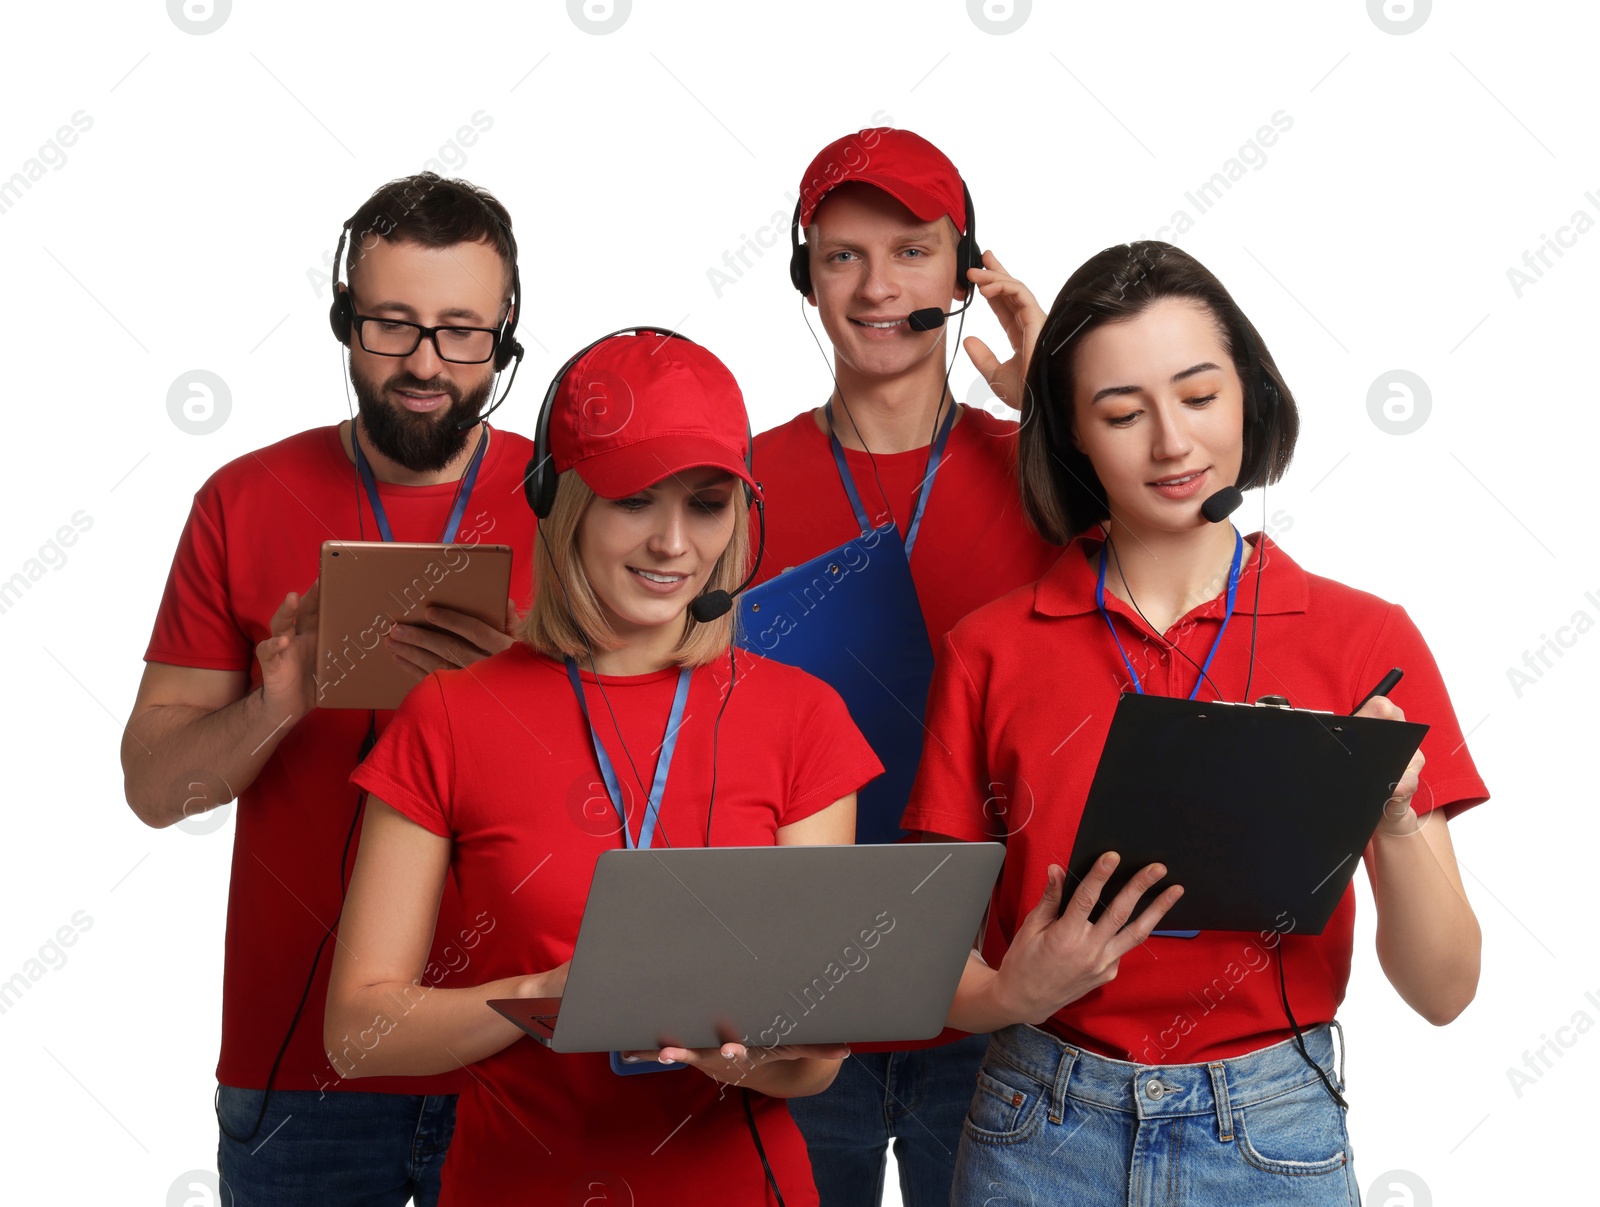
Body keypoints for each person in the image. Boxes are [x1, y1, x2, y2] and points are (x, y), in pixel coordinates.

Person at [901, 241, 1489, 1205]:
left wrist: (1387, 818)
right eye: (1123, 413)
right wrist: (1016, 989)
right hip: (1036, 1124)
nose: (1172, 443)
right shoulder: (990, 649)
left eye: (1200, 395)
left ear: (1251, 397)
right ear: (1073, 439)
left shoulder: (1364, 638)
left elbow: (1444, 991)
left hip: (1271, 1132)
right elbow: (927, 970)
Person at [325, 328, 884, 1205]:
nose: (671, 542)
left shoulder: (802, 716)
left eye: (705, 504)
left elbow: (815, 1063)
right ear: (561, 498)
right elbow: (357, 1028)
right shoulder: (452, 712)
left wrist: (754, 1057)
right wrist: (538, 995)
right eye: (635, 499)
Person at [121, 172, 537, 1204]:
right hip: (299, 1070)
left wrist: (526, 684)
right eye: (392, 324)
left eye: (461, 331)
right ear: (344, 319)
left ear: (506, 334)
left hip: (519, 1046)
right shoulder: (242, 499)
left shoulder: (574, 506)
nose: (425, 363)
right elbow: (153, 788)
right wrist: (277, 703)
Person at [749, 127, 1063, 1205]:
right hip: (799, 988)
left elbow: (1189, 555)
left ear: (966, 275)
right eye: (842, 255)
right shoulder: (731, 487)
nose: (878, 285)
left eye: (913, 251)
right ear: (807, 277)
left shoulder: (1048, 472)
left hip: (998, 990)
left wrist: (1055, 403)